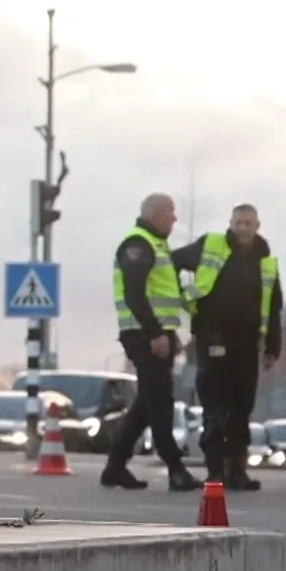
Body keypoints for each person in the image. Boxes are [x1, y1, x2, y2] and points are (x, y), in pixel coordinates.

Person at [171, 203, 282, 490]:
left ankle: (238, 471)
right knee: (215, 410)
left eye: (248, 223)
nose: (242, 228)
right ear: (230, 224)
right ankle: (215, 471)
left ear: (257, 226)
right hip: (214, 339)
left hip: (247, 344)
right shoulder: (211, 246)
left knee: (241, 410)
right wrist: (184, 297)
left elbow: (274, 307)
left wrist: (272, 346)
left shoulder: (266, 262)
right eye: (238, 222)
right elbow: (171, 262)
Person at [102, 193, 202, 492]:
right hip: (144, 334)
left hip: (156, 333)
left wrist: (170, 333)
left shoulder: (156, 244)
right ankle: (175, 467)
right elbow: (135, 293)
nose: (174, 219)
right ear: (155, 213)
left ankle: (116, 465)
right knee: (160, 400)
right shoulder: (138, 244)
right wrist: (155, 333)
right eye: (171, 213)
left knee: (149, 400)